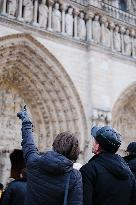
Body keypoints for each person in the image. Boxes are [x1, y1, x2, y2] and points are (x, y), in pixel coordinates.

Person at [17, 106, 83, 205]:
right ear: (74, 153)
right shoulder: (74, 176)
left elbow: (28, 145)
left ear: (54, 145)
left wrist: (26, 122)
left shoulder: (34, 163)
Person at [80, 126, 136, 205]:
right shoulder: (129, 173)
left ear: (98, 146)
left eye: (95, 140)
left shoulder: (88, 171)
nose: (93, 143)